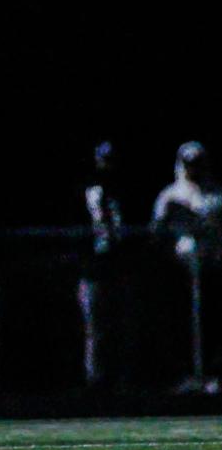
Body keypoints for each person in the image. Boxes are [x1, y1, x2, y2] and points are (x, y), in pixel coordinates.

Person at [152, 141, 222, 395]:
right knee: (182, 323)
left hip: (210, 268)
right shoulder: (171, 195)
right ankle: (186, 374)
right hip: (181, 270)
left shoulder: (215, 196)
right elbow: (157, 232)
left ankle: (211, 374)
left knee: (211, 322)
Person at [78, 142, 129, 389]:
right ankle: (95, 382)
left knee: (119, 324)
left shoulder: (122, 193)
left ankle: (120, 378)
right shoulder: (89, 192)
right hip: (94, 269)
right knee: (95, 328)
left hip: (117, 267)